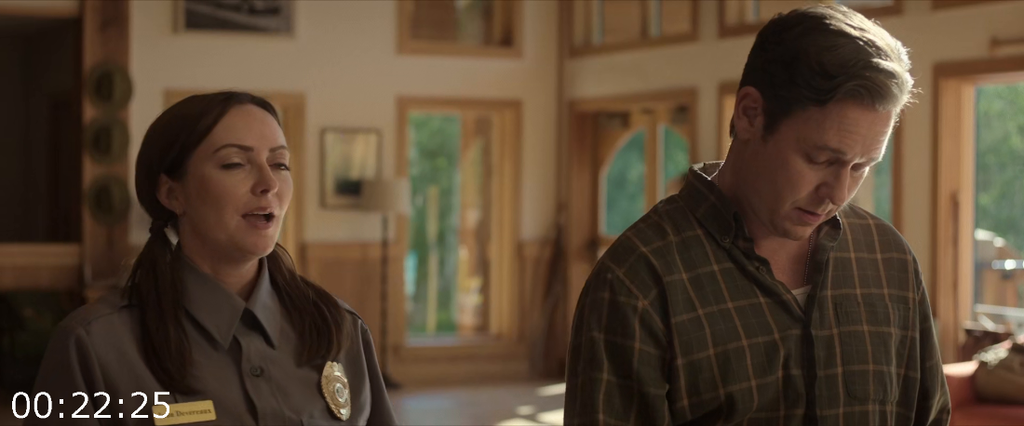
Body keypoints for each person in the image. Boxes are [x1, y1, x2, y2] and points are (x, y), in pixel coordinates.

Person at [565, 5, 950, 426]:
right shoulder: (637, 283)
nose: (838, 194)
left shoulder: (889, 259)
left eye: (861, 167)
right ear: (750, 114)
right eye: (820, 159)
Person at [24, 91, 397, 425]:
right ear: (172, 194)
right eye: (235, 163)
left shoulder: (340, 329)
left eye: (280, 164)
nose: (268, 183)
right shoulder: (94, 345)